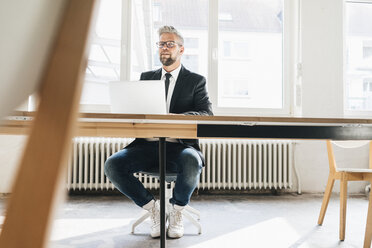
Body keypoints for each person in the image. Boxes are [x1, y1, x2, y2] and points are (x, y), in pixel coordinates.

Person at [104, 25, 213, 239]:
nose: (164, 48)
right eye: (161, 44)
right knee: (113, 165)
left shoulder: (195, 81)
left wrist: (177, 119)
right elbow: (136, 110)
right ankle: (152, 208)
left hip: (180, 146)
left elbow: (206, 113)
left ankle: (176, 210)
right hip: (146, 145)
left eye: (170, 44)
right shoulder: (147, 76)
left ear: (181, 50)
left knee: (192, 161)